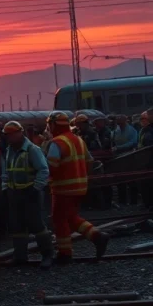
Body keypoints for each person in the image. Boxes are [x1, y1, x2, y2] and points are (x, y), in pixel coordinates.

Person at [45, 112, 110, 262]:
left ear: (53, 125)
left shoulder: (57, 143)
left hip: (63, 188)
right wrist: (82, 176)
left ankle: (68, 252)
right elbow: (90, 160)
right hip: (79, 186)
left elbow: (51, 167)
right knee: (70, 217)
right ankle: (93, 238)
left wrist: (43, 179)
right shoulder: (78, 139)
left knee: (60, 219)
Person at [0, 122, 53, 267]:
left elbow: (43, 170)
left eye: (11, 134)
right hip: (14, 193)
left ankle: (47, 255)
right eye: (7, 135)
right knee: (17, 226)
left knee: (37, 225)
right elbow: (7, 172)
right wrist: (5, 189)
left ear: (19, 133)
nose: (9, 138)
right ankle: (20, 257)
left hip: (30, 193)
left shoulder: (32, 150)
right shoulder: (9, 150)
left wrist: (36, 188)